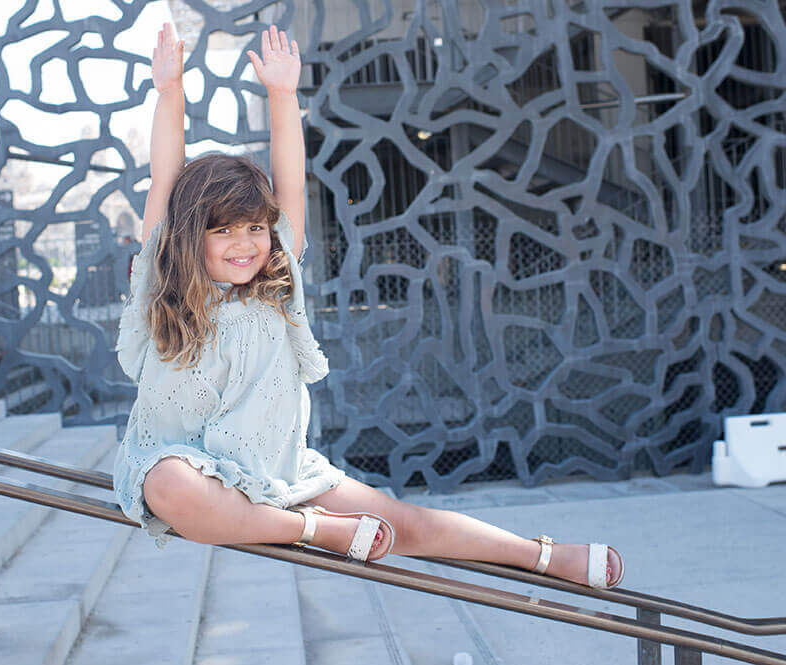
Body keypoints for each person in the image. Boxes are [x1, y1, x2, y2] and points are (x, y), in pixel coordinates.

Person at [112, 23, 624, 589]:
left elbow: (292, 183)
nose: (246, 243)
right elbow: (166, 176)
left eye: (255, 226)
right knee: (170, 487)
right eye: (224, 231)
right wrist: (169, 92)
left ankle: (542, 555)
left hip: (275, 473)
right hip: (185, 470)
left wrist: (283, 96)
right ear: (189, 236)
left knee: (401, 520)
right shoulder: (163, 285)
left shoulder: (276, 283)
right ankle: (310, 528)